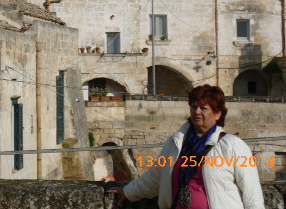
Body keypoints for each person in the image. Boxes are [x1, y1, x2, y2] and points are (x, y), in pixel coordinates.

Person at [108, 85, 264, 208]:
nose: (196, 112)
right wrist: (128, 192)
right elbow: (157, 176)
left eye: (203, 108)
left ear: (218, 114)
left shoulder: (233, 145)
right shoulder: (176, 143)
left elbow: (251, 192)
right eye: (193, 107)